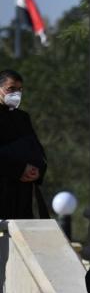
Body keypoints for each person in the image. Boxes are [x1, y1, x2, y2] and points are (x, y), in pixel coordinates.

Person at [0, 69, 48, 219]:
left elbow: (35, 148)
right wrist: (20, 169)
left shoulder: (22, 117)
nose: (16, 94)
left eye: (19, 90)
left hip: (22, 193)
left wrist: (37, 170)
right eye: (11, 89)